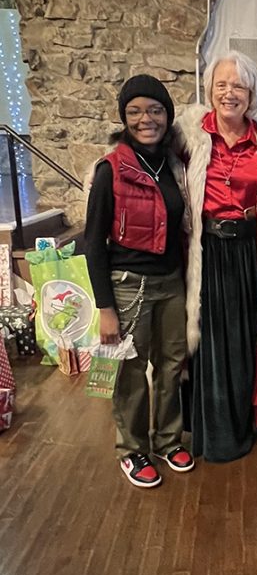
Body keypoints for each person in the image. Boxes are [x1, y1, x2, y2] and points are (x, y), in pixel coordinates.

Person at [172, 51, 257, 463]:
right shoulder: (189, 135)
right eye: (222, 84)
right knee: (203, 338)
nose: (229, 93)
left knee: (241, 337)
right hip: (205, 249)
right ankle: (203, 428)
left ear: (251, 93)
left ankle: (239, 426)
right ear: (210, 90)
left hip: (249, 249)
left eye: (238, 85)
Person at [85, 74, 193, 488]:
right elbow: (93, 243)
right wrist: (105, 309)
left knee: (170, 367)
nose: (145, 119)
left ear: (167, 115)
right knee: (129, 373)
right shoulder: (110, 170)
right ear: (124, 118)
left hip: (171, 282)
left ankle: (168, 439)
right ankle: (131, 450)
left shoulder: (174, 164)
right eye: (135, 111)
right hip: (128, 284)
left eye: (154, 110)